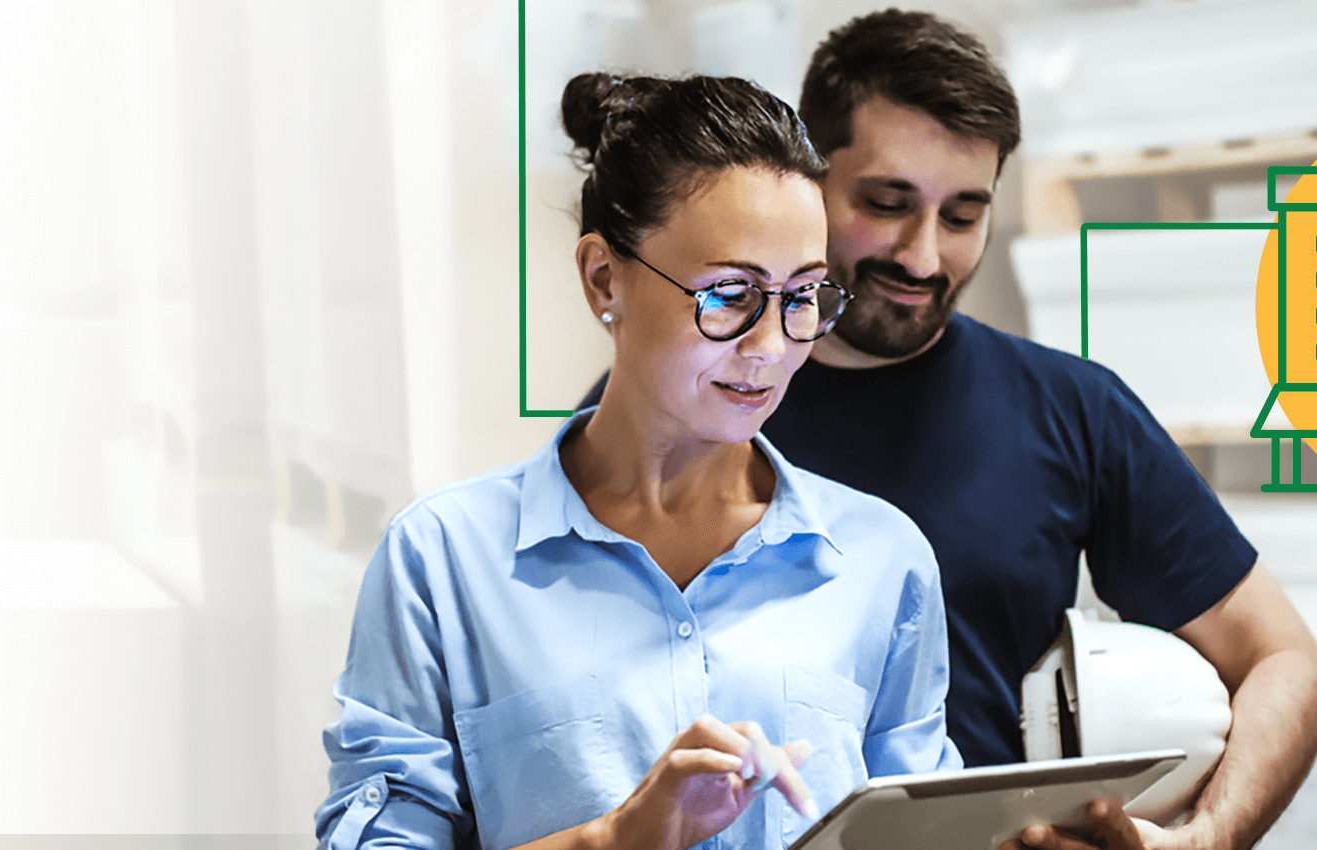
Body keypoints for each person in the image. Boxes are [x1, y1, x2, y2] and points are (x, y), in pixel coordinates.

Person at [580, 11, 1317, 850]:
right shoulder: (680, 401)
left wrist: (1211, 838)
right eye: (885, 203)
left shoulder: (1069, 409)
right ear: (806, 179)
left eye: (962, 215)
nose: (922, 256)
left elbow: (1288, 664)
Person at [317, 72, 964, 850]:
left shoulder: (880, 560)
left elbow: (926, 830)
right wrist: (617, 839)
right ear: (603, 280)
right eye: (728, 293)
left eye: (802, 296)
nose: (771, 348)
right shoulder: (443, 560)